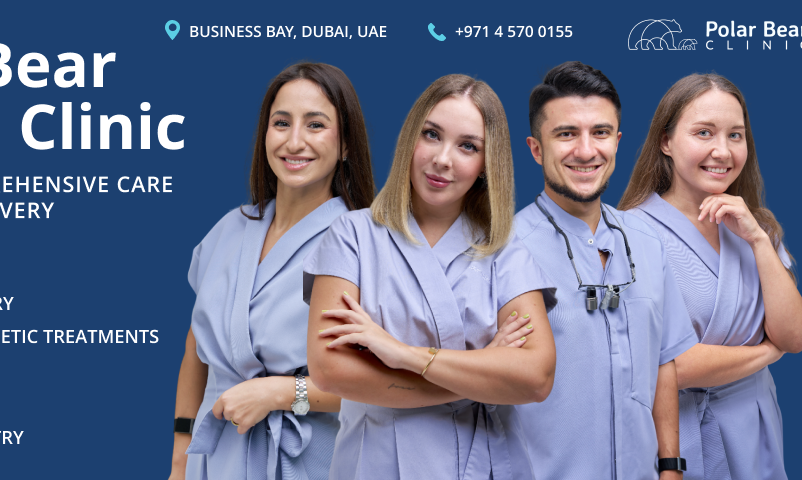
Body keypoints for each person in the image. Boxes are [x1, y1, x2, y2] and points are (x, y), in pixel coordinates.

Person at [305, 74, 557, 480]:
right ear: (410, 138)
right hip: (377, 463)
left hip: (487, 463)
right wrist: (484, 370)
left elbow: (535, 378)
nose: (443, 159)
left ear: (486, 165)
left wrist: (402, 354)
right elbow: (330, 370)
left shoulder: (507, 253)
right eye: (431, 134)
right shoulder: (351, 236)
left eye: (468, 146)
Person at [169, 63, 377, 480]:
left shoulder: (367, 243)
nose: (294, 141)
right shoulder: (229, 229)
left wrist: (283, 393)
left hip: (308, 458)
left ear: (346, 144)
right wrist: (180, 457)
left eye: (315, 125)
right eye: (281, 123)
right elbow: (197, 349)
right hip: (212, 459)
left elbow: (383, 383)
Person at [511, 61, 699, 479]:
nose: (585, 150)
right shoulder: (503, 251)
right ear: (535, 148)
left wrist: (670, 467)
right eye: (566, 134)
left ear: (617, 141)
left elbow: (664, 361)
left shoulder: (648, 243)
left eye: (599, 133)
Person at [618, 73, 802, 480]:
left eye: (735, 135)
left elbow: (795, 336)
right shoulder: (629, 235)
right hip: (674, 435)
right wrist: (764, 354)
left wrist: (758, 239)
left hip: (754, 428)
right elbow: (669, 366)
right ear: (665, 142)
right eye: (704, 132)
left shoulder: (755, 227)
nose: (722, 151)